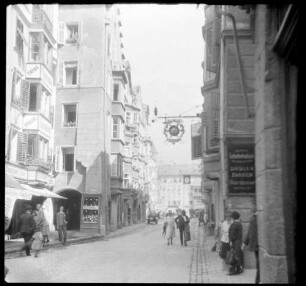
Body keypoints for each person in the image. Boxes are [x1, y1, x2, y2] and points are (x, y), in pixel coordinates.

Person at [242, 206, 260, 283]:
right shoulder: (254, 219)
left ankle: (258, 279)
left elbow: (250, 233)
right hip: (257, 245)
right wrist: (245, 243)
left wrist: (245, 243)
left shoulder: (254, 219)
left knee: (258, 263)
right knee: (259, 263)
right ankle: (258, 279)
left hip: (256, 244)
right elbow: (250, 232)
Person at [228, 211, 244, 275]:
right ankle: (238, 269)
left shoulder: (235, 224)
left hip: (235, 241)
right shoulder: (239, 223)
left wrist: (231, 241)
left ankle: (237, 269)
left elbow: (232, 234)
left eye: (232, 217)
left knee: (236, 255)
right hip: (238, 241)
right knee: (238, 255)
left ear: (233, 217)